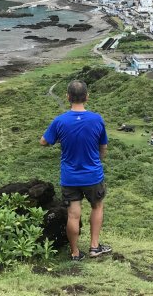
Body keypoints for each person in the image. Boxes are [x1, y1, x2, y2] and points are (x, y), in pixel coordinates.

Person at [40, 79, 111, 261]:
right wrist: (97, 161)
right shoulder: (97, 119)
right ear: (86, 97)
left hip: (70, 177)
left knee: (73, 214)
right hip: (93, 174)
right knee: (97, 207)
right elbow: (103, 147)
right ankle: (95, 247)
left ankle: (75, 253)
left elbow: (44, 141)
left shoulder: (60, 121)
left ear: (68, 97)